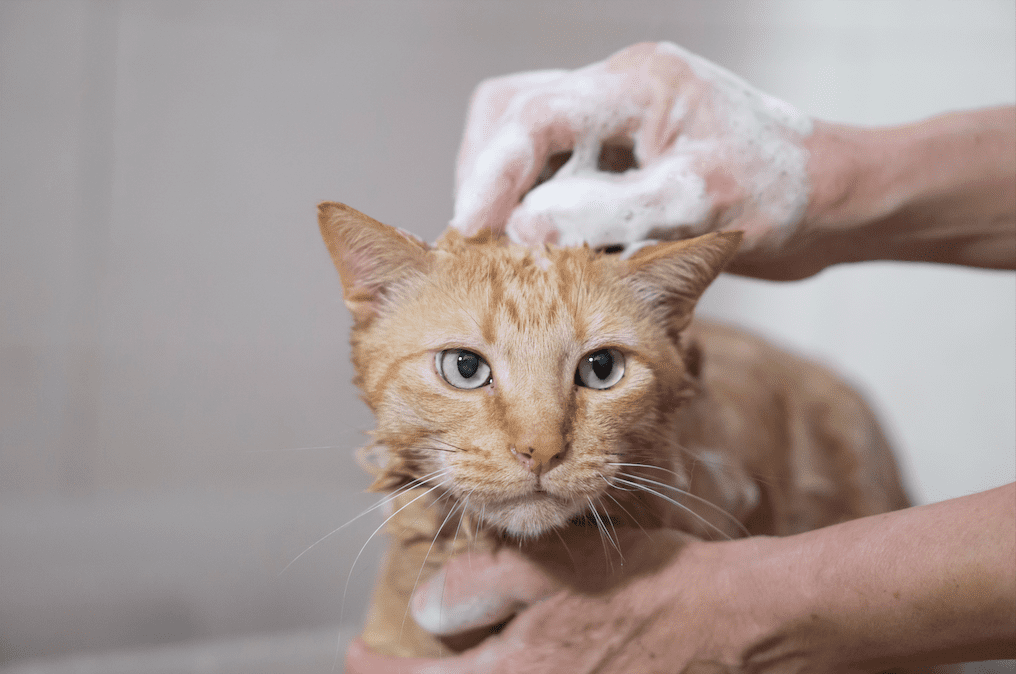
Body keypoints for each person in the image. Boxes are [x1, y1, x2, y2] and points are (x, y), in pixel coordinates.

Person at [346, 42, 1016, 673]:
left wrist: (747, 608)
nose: (541, 443)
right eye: (467, 368)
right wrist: (833, 179)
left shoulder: (809, 404)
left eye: (598, 369)